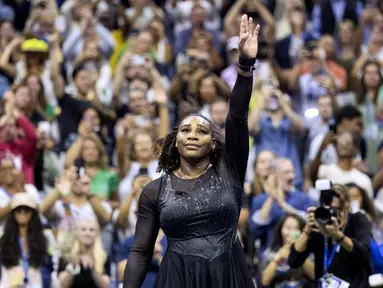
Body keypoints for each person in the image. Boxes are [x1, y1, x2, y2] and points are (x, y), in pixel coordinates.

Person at [123, 15, 259, 288]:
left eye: (202, 131)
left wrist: (245, 65)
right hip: (178, 277)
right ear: (175, 141)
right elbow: (140, 251)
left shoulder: (230, 169)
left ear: (213, 142)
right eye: (185, 130)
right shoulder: (154, 191)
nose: (193, 135)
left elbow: (237, 117)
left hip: (227, 275)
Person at [288, 183, 371, 287]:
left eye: (336, 210)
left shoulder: (357, 220)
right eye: (329, 210)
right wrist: (307, 230)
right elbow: (294, 261)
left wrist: (338, 236)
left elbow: (364, 253)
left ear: (345, 207)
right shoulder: (319, 225)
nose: (332, 216)